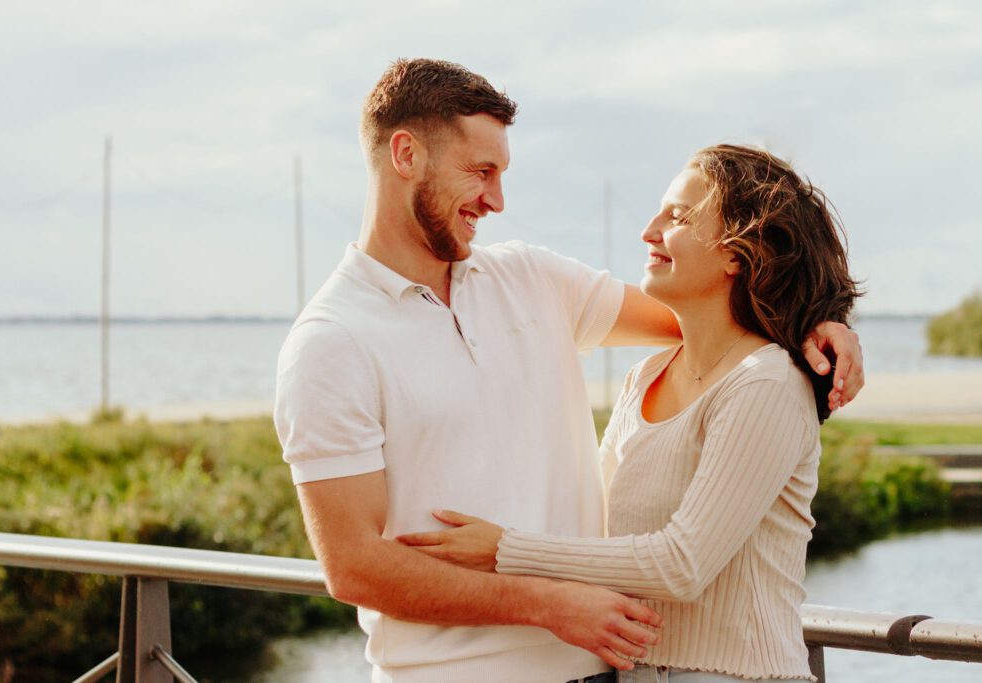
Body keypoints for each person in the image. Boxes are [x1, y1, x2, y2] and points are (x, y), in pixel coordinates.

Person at [274, 58, 864, 683]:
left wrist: (818, 324)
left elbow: (714, 321)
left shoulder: (530, 278)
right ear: (405, 154)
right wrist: (544, 602)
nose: (496, 200)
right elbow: (355, 567)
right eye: (481, 172)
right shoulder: (329, 343)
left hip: (606, 669)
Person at [397, 144, 861, 682]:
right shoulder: (645, 375)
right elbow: (601, 540)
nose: (650, 230)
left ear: (740, 253)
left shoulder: (768, 383)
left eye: (679, 217)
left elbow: (682, 564)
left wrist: (503, 549)